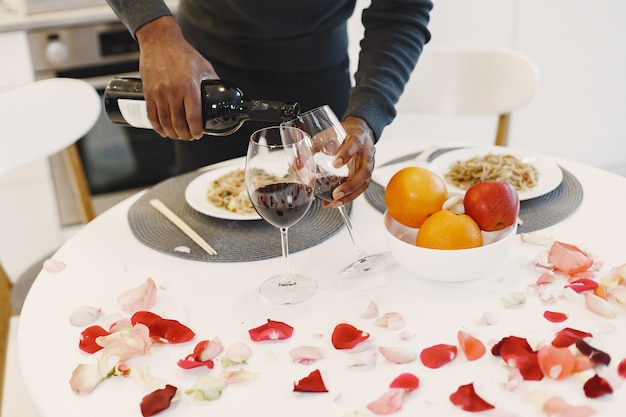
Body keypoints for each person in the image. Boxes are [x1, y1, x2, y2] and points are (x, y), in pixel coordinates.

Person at [105, 0, 432, 208]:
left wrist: (366, 115)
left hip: (318, 79)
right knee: (212, 231)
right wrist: (156, 33)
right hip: (202, 77)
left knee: (322, 245)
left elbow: (401, 11)